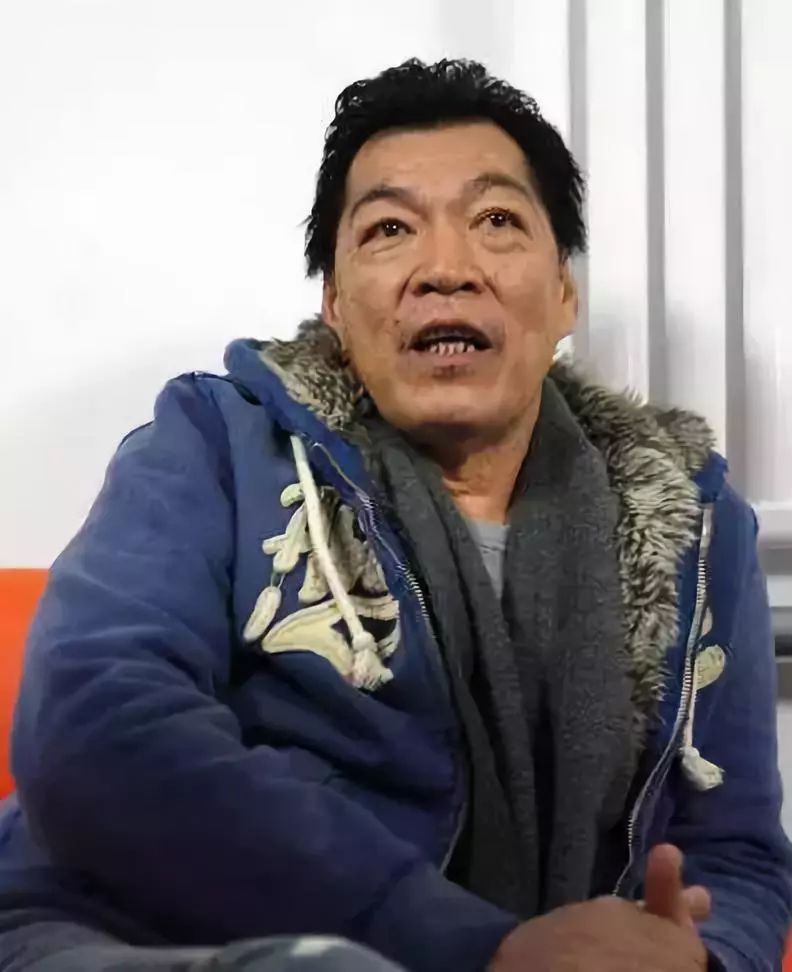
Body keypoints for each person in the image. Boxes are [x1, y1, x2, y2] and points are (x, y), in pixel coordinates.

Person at [0, 58, 789, 972]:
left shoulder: (695, 526)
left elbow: (736, 856)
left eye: (497, 221)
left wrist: (687, 959)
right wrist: (472, 945)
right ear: (335, 305)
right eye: (389, 229)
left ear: (563, 293)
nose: (445, 270)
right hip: (118, 935)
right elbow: (97, 726)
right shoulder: (214, 444)